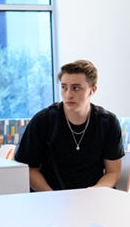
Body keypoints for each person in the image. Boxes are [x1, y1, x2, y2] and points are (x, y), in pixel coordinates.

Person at [15, 60, 124, 191]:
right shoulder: (44, 121)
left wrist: (95, 192)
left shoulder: (107, 122)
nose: (68, 95)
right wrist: (53, 197)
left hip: (92, 199)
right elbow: (29, 170)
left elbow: (113, 172)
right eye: (64, 87)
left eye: (76, 88)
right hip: (49, 199)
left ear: (92, 90)